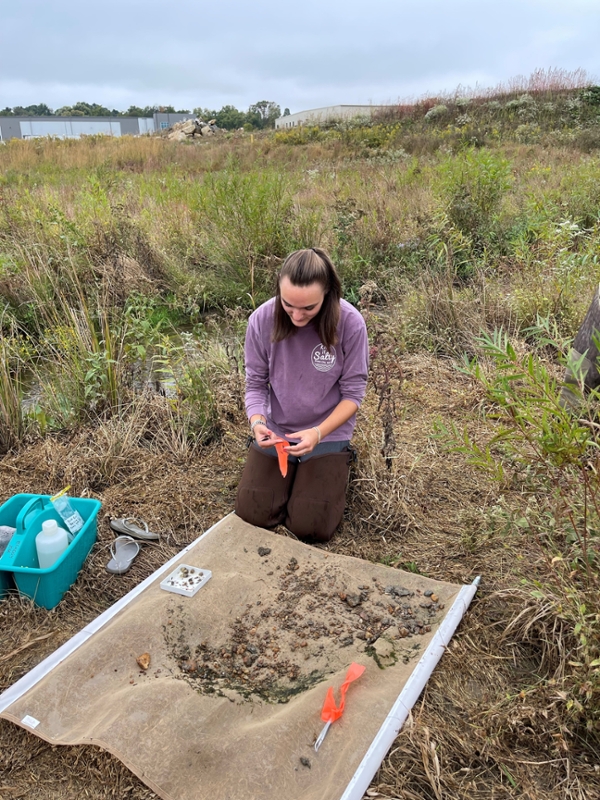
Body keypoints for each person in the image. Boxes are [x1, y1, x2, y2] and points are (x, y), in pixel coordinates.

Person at [235, 247, 369, 542]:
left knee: (311, 526)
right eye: (288, 305)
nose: (297, 315)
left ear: (329, 294)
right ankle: (288, 475)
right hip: (278, 430)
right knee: (253, 513)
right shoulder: (261, 320)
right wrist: (258, 423)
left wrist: (318, 434)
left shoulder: (350, 323)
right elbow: (256, 384)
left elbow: (353, 395)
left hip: (326, 431)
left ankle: (327, 466)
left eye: (309, 308)